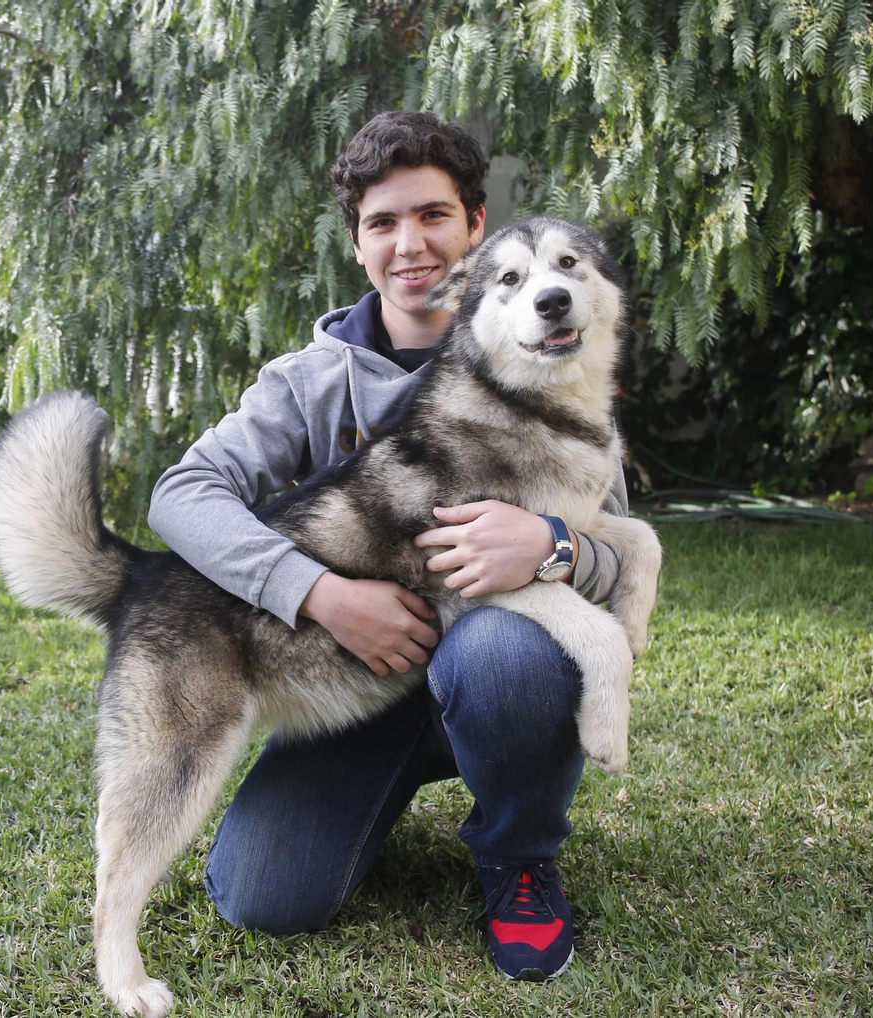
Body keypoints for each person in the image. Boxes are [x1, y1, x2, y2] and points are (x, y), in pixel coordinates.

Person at [147, 110, 629, 981]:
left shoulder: (555, 354)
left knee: (503, 652)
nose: (411, 244)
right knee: (262, 896)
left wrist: (551, 545)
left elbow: (614, 548)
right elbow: (181, 495)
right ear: (358, 245)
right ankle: (369, 791)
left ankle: (518, 854)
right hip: (349, 682)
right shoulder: (309, 379)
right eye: (383, 223)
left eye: (434, 215)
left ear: (478, 229)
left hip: (492, 674)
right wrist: (314, 592)